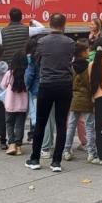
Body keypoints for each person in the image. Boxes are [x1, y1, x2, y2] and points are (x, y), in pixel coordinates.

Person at [26, 14, 75, 172]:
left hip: (46, 84)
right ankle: (56, 162)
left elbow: (38, 60)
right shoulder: (70, 43)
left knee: (41, 122)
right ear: (64, 24)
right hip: (65, 85)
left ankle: (34, 159)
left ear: (49, 24)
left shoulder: (41, 42)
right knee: (61, 123)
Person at [65, 41, 95, 163]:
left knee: (71, 125)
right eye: (87, 50)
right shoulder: (89, 66)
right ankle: (91, 152)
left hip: (75, 99)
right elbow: (91, 84)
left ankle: (66, 150)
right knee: (89, 126)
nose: (89, 52)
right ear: (83, 53)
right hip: (87, 99)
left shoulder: (70, 66)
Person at [2, 53, 29, 156]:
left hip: (10, 104)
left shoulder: (10, 73)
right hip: (22, 105)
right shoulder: (26, 73)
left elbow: (3, 85)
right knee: (20, 125)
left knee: (9, 124)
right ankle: (18, 146)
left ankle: (12, 144)